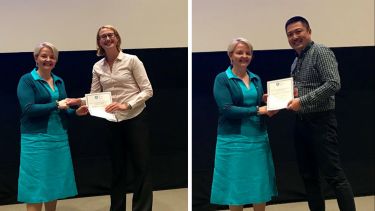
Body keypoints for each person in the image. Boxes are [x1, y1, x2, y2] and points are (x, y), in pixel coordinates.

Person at [68, 25, 154, 211]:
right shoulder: (97, 67)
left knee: (141, 168)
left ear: (117, 38)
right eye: (103, 37)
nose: (107, 39)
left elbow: (148, 90)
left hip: (135, 118)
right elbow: (95, 96)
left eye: (110, 35)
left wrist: (127, 104)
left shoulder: (132, 60)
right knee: (117, 169)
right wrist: (81, 103)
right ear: (99, 42)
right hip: (112, 121)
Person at [285, 16, 356, 211]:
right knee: (309, 177)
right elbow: (301, 91)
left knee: (334, 177)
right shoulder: (295, 61)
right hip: (302, 123)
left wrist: (303, 101)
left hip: (321, 122)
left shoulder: (321, 52)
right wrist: (278, 98)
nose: (294, 36)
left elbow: (333, 83)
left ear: (309, 31)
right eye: (290, 34)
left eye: (298, 31)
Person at [17, 42, 88, 211]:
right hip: (35, 141)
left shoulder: (59, 81)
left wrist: (76, 113)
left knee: (53, 184)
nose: (48, 59)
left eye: (52, 57)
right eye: (44, 56)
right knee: (35, 187)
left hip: (59, 139)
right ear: (36, 58)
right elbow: (28, 109)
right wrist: (56, 105)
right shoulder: (27, 80)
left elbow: (63, 110)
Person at [210, 37, 278, 211]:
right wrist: (257, 109)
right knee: (236, 185)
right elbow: (227, 109)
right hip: (233, 142)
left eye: (248, 53)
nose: (244, 56)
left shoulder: (255, 78)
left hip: (258, 138)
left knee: (259, 183)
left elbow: (259, 104)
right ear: (230, 56)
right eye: (240, 52)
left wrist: (269, 101)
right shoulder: (222, 79)